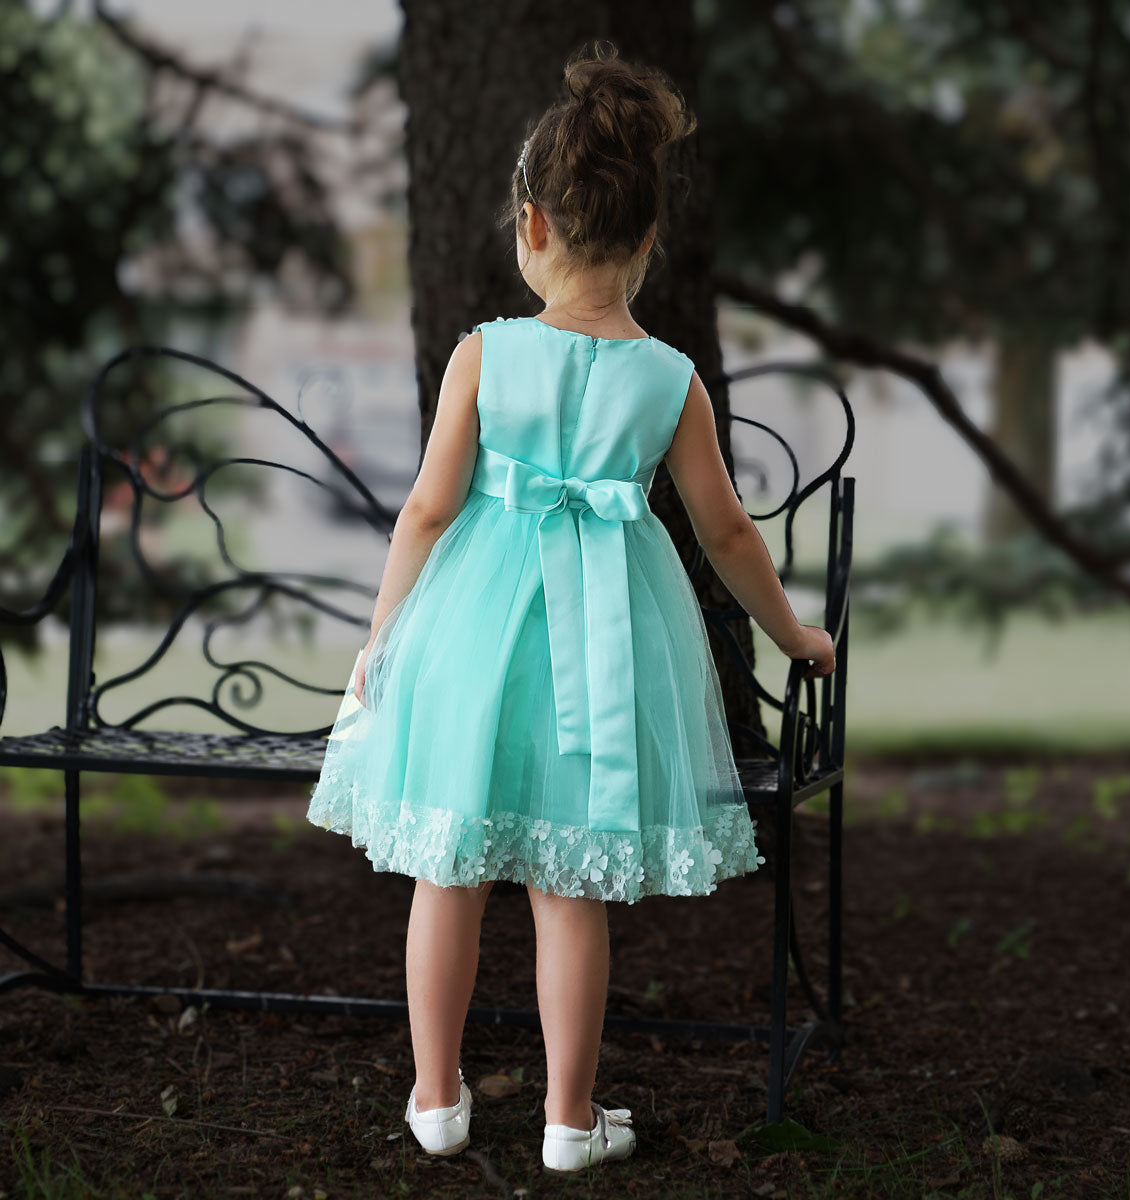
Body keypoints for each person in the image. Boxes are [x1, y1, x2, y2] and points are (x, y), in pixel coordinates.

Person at [305, 38, 836, 1177]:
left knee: (445, 868)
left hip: (474, 639)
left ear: (531, 226)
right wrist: (793, 634)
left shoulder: (484, 357)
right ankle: (566, 1120)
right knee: (568, 881)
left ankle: (437, 1098)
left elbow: (427, 516)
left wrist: (382, 641)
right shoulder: (671, 377)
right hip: (600, 650)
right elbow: (726, 532)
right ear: (649, 240)